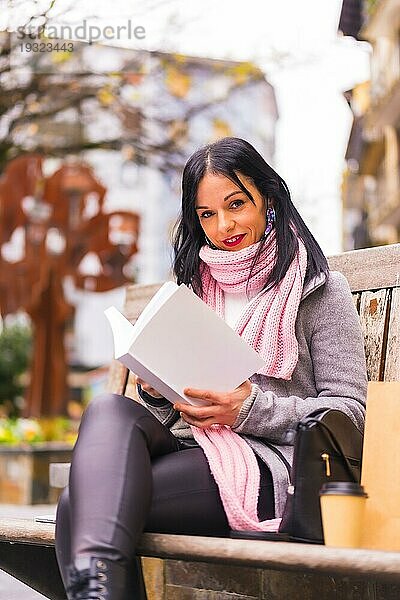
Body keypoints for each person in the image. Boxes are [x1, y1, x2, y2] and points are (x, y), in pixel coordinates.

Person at [55, 137, 367, 599]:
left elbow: (348, 416)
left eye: (236, 204)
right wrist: (158, 392)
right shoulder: (192, 290)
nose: (223, 225)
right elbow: (176, 414)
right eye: (206, 214)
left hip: (267, 466)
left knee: (73, 507)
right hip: (191, 447)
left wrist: (248, 410)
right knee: (107, 410)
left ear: (268, 198)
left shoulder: (319, 290)